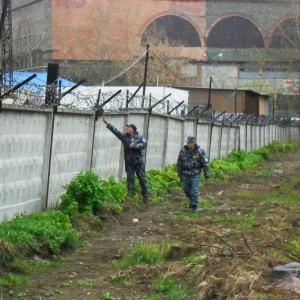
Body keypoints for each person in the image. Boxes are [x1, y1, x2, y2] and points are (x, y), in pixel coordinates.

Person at [102, 117, 149, 205]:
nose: (127, 128)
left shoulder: (138, 137)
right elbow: (116, 131)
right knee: (130, 180)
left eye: (129, 127)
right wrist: (107, 123)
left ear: (133, 130)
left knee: (142, 179)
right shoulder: (124, 136)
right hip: (129, 163)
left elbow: (144, 144)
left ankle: (146, 197)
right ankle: (132, 199)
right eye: (127, 127)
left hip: (138, 163)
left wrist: (134, 146)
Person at [177, 136, 210, 213]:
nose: (188, 144)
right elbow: (179, 162)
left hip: (195, 173)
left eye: (189, 143)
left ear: (193, 143)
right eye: (187, 143)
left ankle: (194, 206)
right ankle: (192, 200)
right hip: (185, 173)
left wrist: (207, 174)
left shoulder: (200, 151)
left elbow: (205, 163)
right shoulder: (183, 151)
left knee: (194, 189)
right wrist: (179, 172)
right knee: (186, 189)